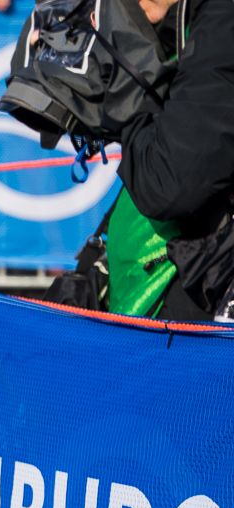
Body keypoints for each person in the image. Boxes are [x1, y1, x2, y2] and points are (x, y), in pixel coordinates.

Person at [115, 0, 234, 320]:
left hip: (205, 303)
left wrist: (123, 83)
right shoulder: (192, 18)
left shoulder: (223, 17)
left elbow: (168, 184)